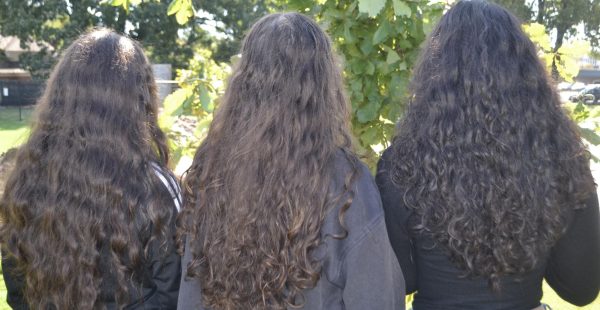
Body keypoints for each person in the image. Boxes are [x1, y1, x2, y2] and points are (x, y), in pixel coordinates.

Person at [376, 1, 600, 309]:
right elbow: (581, 288)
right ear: (526, 74)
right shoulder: (563, 160)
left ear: (435, 75)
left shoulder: (400, 165)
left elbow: (404, 280)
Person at [177, 12, 404, 310]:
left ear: (245, 82)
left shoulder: (210, 172)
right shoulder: (347, 182)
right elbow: (377, 298)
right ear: (322, 85)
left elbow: (190, 295)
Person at [0, 29, 181, 309]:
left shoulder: (24, 182)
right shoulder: (157, 189)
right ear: (140, 98)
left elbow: (17, 293)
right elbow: (170, 294)